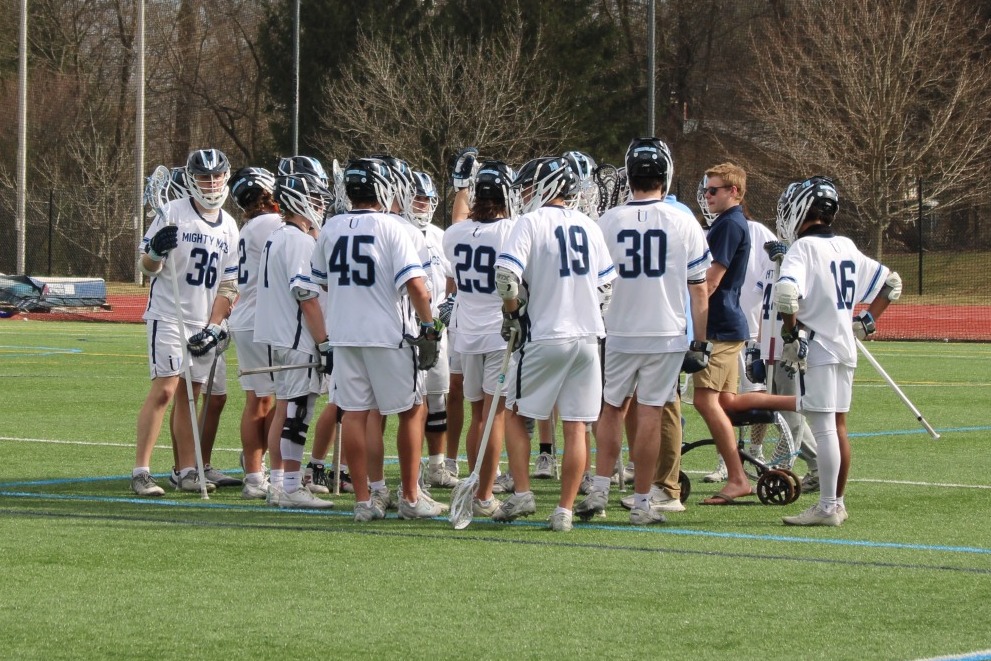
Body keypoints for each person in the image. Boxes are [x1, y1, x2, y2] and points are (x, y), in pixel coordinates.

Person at [575, 137, 710, 525]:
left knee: (612, 408)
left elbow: (594, 281)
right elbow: (698, 288)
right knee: (651, 411)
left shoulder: (609, 221)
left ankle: (599, 488)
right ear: (665, 174)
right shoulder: (683, 220)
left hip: (619, 328)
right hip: (666, 331)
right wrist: (700, 340)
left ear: (629, 175)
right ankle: (642, 503)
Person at [308, 158, 444, 522]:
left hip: (345, 333)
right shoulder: (392, 227)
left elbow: (320, 281)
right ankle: (412, 497)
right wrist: (429, 325)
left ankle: (365, 500)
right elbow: (416, 285)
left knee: (355, 413)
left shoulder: (331, 228)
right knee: (412, 409)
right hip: (388, 334)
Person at [493, 156, 616, 532]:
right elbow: (607, 285)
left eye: (530, 187)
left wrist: (512, 313)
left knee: (515, 412)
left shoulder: (529, 223)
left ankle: (523, 493)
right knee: (576, 425)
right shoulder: (589, 225)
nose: (525, 194)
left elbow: (506, 277)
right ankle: (563, 510)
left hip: (546, 333)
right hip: (587, 335)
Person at [773, 176, 900, 526]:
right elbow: (892, 283)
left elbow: (786, 293)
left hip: (819, 347)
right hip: (845, 347)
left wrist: (791, 333)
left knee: (824, 426)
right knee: (838, 424)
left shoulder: (803, 249)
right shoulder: (845, 245)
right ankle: (835, 502)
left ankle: (828, 506)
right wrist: (866, 322)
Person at [131, 148, 239, 496]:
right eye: (204, 177)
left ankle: (188, 470)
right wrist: (157, 253)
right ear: (192, 180)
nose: (211, 183)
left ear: (226, 176)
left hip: (202, 322)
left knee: (192, 395)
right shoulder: (172, 212)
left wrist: (213, 324)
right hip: (168, 313)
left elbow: (228, 283)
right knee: (165, 389)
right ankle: (141, 471)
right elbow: (146, 269)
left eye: (216, 176)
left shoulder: (230, 225)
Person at [253, 172, 333, 509]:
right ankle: (288, 486)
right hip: (296, 338)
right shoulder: (299, 241)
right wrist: (324, 342)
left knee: (287, 409)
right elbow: (306, 295)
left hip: (279, 336)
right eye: (314, 199)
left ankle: (280, 482)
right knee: (298, 412)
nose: (320, 205)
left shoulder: (278, 236)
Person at [442, 160, 517, 518]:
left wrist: (460, 188)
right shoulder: (511, 231)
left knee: (477, 416)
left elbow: (460, 219)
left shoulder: (455, 234)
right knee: (495, 417)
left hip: (465, 331)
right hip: (498, 332)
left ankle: (475, 487)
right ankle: (484, 494)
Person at [694, 162, 754, 505]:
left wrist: (693, 323)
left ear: (734, 191)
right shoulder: (728, 223)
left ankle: (736, 477)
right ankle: (798, 404)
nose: (708, 196)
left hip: (720, 325)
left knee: (705, 400)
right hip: (729, 322)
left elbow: (711, 281)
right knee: (727, 401)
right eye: (706, 190)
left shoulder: (729, 225)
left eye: (714, 190)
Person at [226, 166, 283, 499]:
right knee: (283, 398)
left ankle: (253, 472)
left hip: (246, 317)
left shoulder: (248, 228)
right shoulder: (275, 225)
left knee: (258, 400)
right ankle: (266, 470)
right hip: (266, 319)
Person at [407, 170, 459, 489]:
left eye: (427, 198)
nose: (423, 204)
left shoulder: (440, 235)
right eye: (418, 197)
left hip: (436, 324)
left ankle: (437, 467)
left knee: (438, 398)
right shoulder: (398, 231)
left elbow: (450, 277)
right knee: (411, 401)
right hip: (408, 325)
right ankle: (411, 469)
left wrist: (449, 303)